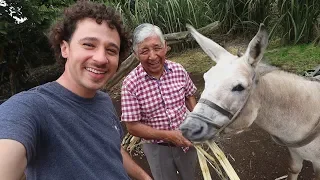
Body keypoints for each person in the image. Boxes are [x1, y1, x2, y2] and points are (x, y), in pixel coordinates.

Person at [0, 1, 152, 180]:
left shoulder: (103, 101)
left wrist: (145, 177)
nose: (101, 58)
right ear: (65, 48)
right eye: (89, 44)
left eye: (111, 50)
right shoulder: (31, 107)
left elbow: (112, 150)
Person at [121, 23, 198, 180]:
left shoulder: (178, 70)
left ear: (165, 47)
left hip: (186, 140)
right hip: (156, 147)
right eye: (144, 51)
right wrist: (169, 135)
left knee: (190, 175)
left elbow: (189, 95)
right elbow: (132, 127)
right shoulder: (130, 84)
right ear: (135, 54)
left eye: (157, 48)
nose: (153, 56)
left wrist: (197, 119)